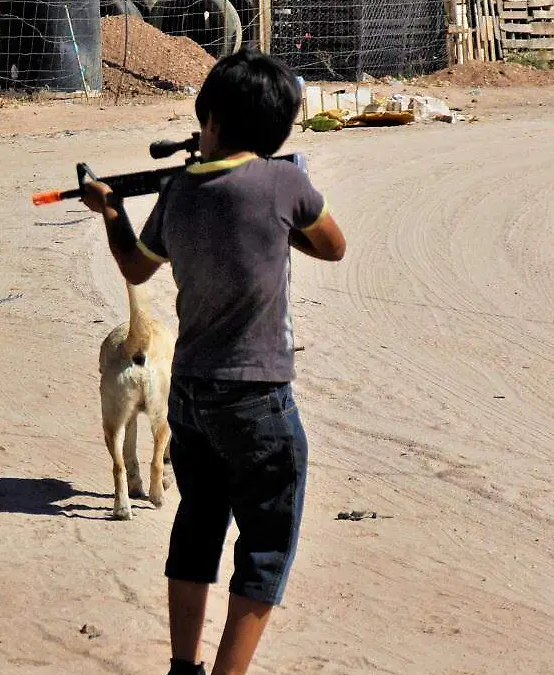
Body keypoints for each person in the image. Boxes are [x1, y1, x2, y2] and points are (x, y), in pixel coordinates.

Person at [81, 48, 347, 675]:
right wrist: (284, 222)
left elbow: (135, 266)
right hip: (258, 397)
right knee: (265, 544)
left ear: (208, 118)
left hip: (192, 395)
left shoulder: (178, 191)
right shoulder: (286, 183)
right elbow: (333, 246)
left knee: (197, 526)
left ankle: (184, 666)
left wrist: (112, 213)